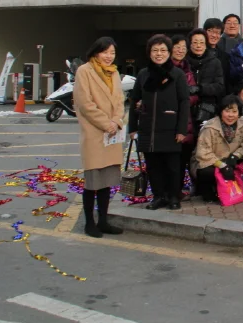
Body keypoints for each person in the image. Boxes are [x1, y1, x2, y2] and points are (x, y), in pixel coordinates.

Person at [129, 34, 190, 211]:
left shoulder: (177, 74)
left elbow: (184, 102)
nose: (159, 54)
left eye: (163, 50)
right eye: (155, 50)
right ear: (149, 53)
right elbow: (134, 101)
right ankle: (158, 196)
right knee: (153, 166)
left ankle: (173, 196)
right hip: (148, 128)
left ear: (169, 53)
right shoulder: (143, 74)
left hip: (170, 128)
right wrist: (132, 128)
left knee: (172, 166)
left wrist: (181, 130)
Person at [73, 36, 126, 238]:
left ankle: (103, 221)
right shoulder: (84, 71)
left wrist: (116, 121)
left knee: (107, 181)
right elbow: (85, 104)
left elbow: (120, 101)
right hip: (95, 133)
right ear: (96, 52)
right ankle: (89, 223)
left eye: (112, 53)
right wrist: (107, 124)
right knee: (93, 182)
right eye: (105, 52)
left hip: (111, 134)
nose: (109, 57)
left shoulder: (114, 72)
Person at [194, 95, 243, 203]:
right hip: (213, 163)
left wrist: (236, 156)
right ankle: (209, 192)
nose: (231, 115)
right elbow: (203, 152)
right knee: (205, 172)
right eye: (227, 111)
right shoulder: (210, 127)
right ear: (221, 112)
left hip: (232, 161)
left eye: (234, 111)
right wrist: (222, 165)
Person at [172, 34, 200, 189]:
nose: (180, 50)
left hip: (186, 119)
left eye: (183, 47)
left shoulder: (187, 69)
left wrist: (182, 101)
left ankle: (178, 190)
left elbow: (194, 95)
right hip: (168, 120)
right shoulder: (165, 68)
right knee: (169, 158)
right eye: (177, 47)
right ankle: (167, 191)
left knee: (183, 157)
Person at [187, 28, 225, 126]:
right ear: (190, 44)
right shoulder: (184, 62)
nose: (198, 46)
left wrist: (200, 89)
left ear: (206, 44)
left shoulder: (215, 62)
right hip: (186, 108)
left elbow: (219, 87)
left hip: (207, 109)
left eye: (201, 42)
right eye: (195, 42)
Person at [203, 18, 231, 91]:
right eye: (210, 31)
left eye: (218, 32)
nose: (214, 35)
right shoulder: (198, 52)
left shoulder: (225, 57)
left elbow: (226, 81)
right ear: (204, 32)